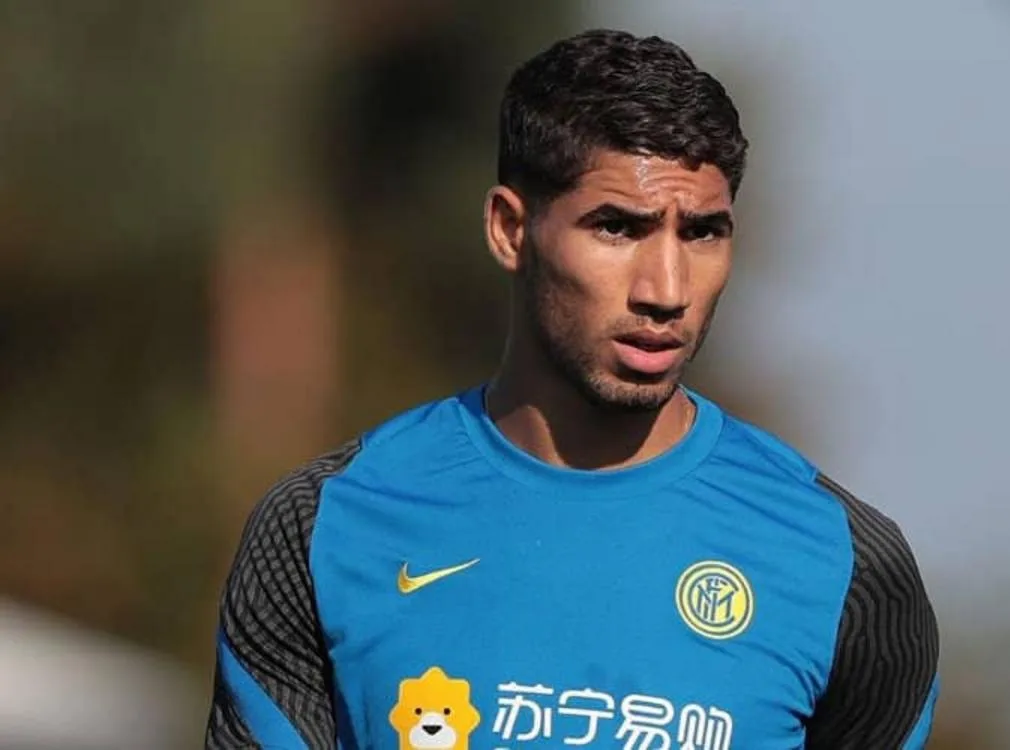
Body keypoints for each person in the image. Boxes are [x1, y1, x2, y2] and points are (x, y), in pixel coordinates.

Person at [205, 28, 940, 750]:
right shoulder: (324, 527)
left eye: (702, 233)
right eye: (617, 228)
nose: (667, 290)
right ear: (509, 230)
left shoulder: (844, 566)